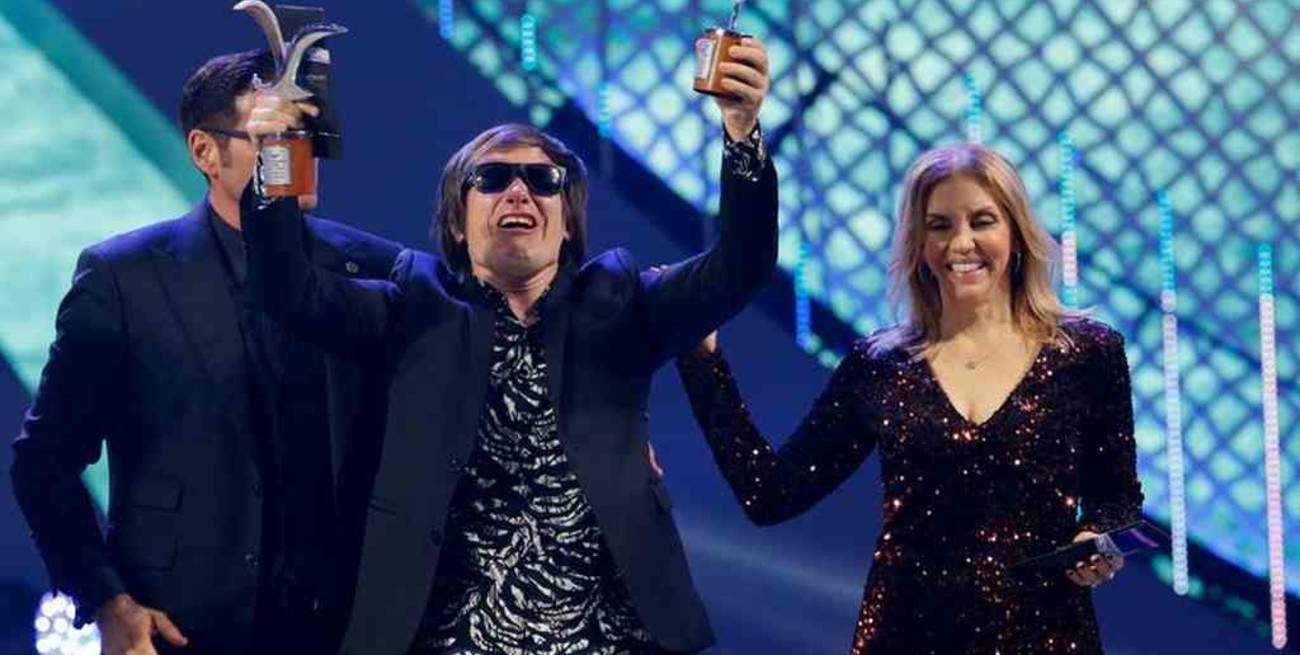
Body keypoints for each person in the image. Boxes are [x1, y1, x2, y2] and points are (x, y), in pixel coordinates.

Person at [238, 37, 776, 655]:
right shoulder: (413, 305)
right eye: (492, 179)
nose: (519, 192)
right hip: (449, 640)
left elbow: (740, 266)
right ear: (457, 223)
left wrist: (742, 134)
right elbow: (287, 290)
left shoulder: (624, 303)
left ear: (567, 222)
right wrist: (275, 153)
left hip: (608, 641)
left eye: (542, 181)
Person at [674, 143, 1144, 654]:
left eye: (982, 221)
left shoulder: (1087, 352)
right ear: (918, 245)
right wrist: (702, 361)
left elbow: (1118, 498)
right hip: (907, 635)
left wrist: (1097, 538)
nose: (961, 243)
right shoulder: (880, 364)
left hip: (1045, 635)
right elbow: (770, 495)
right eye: (939, 226)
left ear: (1017, 233)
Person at [10, 50, 403, 655]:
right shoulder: (125, 277)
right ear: (205, 152)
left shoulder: (372, 268)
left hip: (342, 628)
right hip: (181, 626)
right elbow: (44, 462)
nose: (298, 156)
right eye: (273, 137)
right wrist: (108, 602)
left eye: (306, 134)